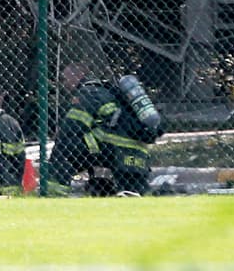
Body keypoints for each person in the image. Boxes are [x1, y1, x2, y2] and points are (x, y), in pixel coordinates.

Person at [48, 63, 161, 196]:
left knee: (64, 147)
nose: (63, 83)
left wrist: (59, 133)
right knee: (134, 192)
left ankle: (54, 193)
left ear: (77, 75)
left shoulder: (87, 92)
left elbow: (72, 126)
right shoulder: (108, 91)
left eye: (64, 78)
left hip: (112, 150)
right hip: (137, 154)